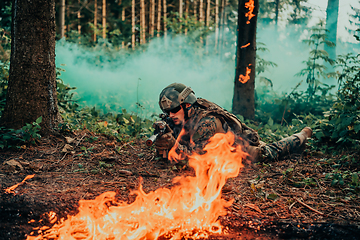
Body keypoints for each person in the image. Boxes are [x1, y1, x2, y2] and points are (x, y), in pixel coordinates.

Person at [153, 83, 312, 163]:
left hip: (236, 147)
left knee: (266, 154)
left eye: (174, 110)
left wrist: (173, 145)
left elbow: (197, 160)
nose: (170, 115)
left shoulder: (207, 123)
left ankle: (301, 136)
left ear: (187, 105)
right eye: (167, 112)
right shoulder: (180, 116)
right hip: (215, 149)